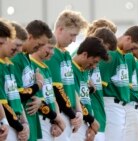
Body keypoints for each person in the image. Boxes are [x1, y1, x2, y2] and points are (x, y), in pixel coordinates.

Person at [44, 9, 88, 141]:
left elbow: (71, 86)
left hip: (70, 114)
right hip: (60, 114)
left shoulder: (66, 54)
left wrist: (79, 112)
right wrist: (70, 115)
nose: (74, 40)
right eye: (72, 35)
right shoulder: (51, 54)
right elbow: (56, 90)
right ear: (60, 29)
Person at [99, 25, 138, 141]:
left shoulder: (124, 56)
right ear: (128, 38)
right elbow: (99, 86)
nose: (133, 51)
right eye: (133, 47)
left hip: (120, 108)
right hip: (109, 105)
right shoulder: (112, 54)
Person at [11, 19, 53, 141]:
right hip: (19, 122)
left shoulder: (26, 56)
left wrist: (39, 99)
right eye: (39, 44)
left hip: (31, 120)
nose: (40, 48)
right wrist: (38, 85)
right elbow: (17, 95)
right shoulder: (16, 58)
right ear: (30, 37)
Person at [72, 36, 109, 141]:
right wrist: (92, 121)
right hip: (74, 122)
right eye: (94, 61)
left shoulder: (84, 71)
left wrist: (90, 124)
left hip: (85, 123)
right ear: (84, 54)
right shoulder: (70, 69)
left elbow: (86, 100)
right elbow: (74, 100)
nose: (94, 66)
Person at [30, 35, 66, 141]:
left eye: (53, 48)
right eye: (50, 48)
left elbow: (52, 98)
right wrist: (58, 119)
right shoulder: (32, 66)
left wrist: (57, 119)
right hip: (39, 120)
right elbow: (35, 100)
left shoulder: (46, 68)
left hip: (51, 121)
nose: (52, 52)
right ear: (39, 45)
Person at [89, 27, 118, 141]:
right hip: (89, 117)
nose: (106, 53)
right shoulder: (84, 57)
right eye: (106, 49)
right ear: (100, 41)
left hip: (99, 116)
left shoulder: (97, 61)